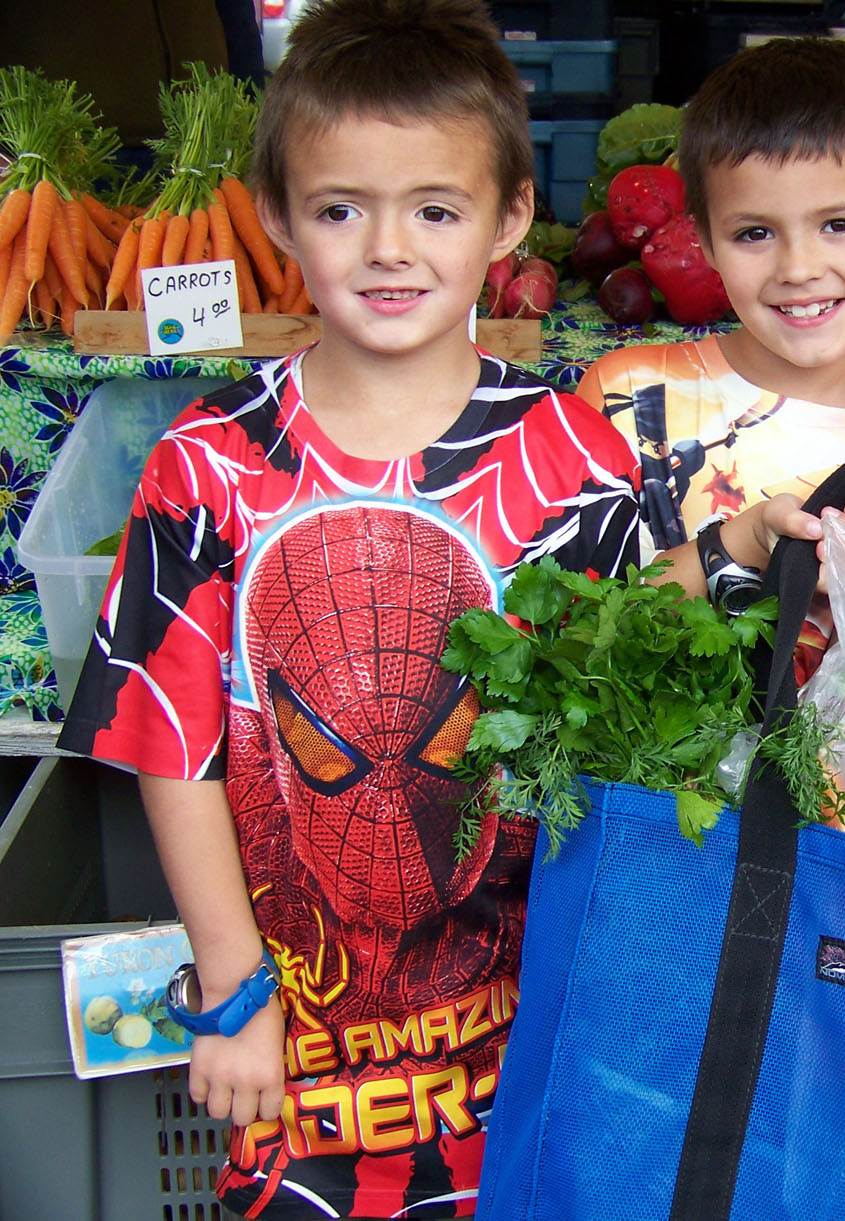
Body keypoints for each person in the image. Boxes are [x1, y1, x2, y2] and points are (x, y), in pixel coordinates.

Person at [57, 1, 640, 1216]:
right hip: (295, 1052)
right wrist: (231, 993)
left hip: (531, 1034)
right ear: (276, 216)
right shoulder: (209, 461)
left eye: (435, 208)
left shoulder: (579, 462)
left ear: (510, 218)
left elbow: (623, 753)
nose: (389, 248)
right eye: (340, 209)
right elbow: (173, 749)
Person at [574, 35, 845, 670]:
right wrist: (741, 544)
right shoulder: (629, 396)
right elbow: (571, 637)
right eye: (755, 233)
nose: (799, 268)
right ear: (706, 243)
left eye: (840, 224)